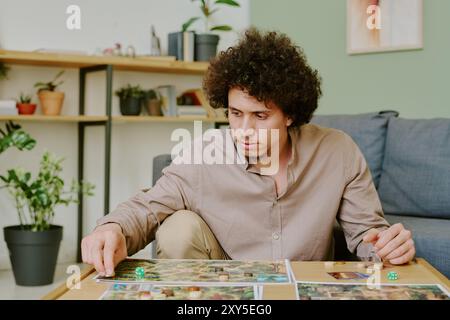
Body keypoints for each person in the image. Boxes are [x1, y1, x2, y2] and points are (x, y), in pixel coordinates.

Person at [81, 28, 415, 277]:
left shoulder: (337, 151)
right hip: (224, 284)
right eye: (235, 114)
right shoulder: (203, 154)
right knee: (177, 226)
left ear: (290, 114)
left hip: (301, 282)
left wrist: (386, 245)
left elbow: (366, 233)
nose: (244, 131)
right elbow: (147, 208)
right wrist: (111, 229)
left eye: (261, 116)